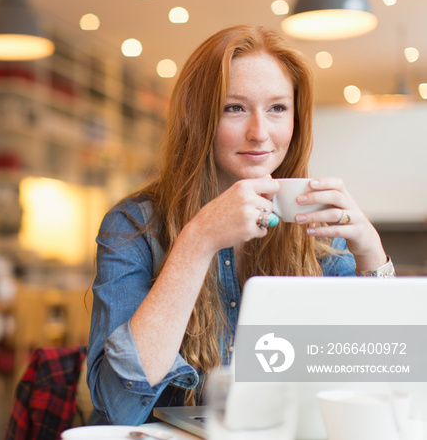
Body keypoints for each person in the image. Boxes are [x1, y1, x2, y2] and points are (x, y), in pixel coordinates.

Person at [85, 25, 393, 426]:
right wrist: (199, 239)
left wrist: (372, 255)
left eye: (278, 108)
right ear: (197, 118)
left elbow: (380, 382)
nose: (260, 133)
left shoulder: (313, 229)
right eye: (235, 108)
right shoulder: (132, 225)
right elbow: (119, 406)